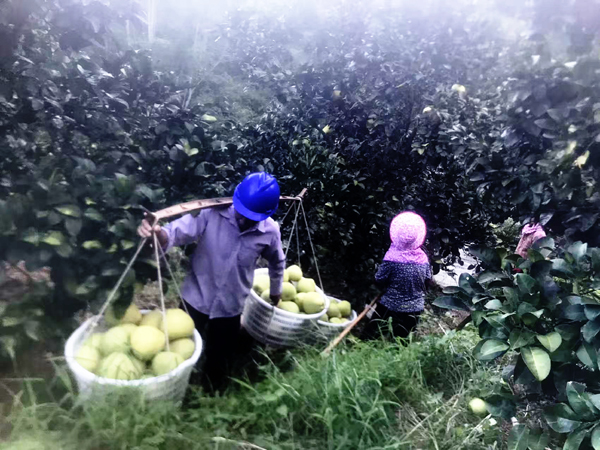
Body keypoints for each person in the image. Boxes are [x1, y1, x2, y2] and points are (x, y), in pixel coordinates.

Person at [137, 172, 285, 392]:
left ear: (265, 215)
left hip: (230, 305)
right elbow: (175, 233)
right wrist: (158, 234)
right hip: (196, 297)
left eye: (252, 217)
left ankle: (213, 393)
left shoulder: (270, 232)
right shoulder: (211, 213)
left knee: (220, 357)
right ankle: (176, 389)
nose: (244, 220)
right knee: (177, 349)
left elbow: (277, 262)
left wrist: (275, 291)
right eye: (242, 212)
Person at [362, 211, 432, 341]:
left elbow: (379, 279)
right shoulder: (423, 258)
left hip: (390, 305)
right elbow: (427, 281)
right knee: (401, 342)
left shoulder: (391, 257)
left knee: (369, 336)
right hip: (414, 309)